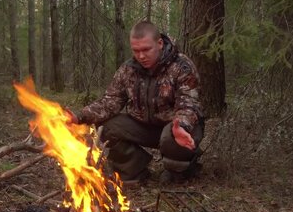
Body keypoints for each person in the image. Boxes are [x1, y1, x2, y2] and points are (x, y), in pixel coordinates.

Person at [68, 21, 204, 184]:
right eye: (136, 51)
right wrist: (79, 117)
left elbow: (189, 105)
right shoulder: (128, 69)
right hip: (144, 127)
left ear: (159, 43)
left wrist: (182, 126)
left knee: (172, 136)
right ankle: (135, 169)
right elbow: (109, 102)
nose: (141, 56)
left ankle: (179, 170)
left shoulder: (181, 66)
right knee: (107, 127)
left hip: (176, 128)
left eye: (146, 49)